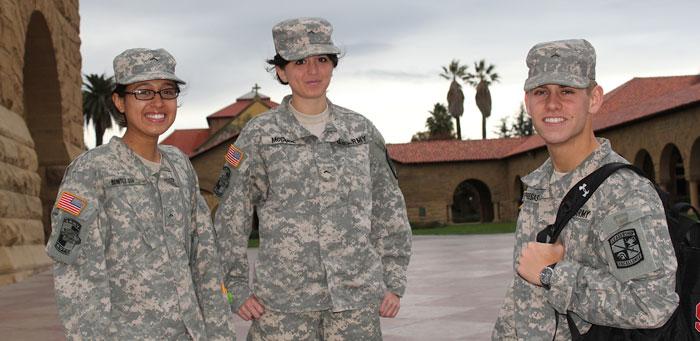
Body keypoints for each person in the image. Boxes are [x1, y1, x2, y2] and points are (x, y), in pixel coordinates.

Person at [213, 17, 412, 340]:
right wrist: (234, 289)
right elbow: (230, 218)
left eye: (322, 60)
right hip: (282, 307)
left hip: (354, 303)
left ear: (333, 66)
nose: (313, 71)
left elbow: (390, 210)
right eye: (299, 62)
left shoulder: (361, 132)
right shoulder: (259, 136)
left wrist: (393, 281)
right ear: (281, 71)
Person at [492, 39, 679, 340]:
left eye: (567, 91)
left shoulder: (623, 192)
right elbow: (523, 295)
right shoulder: (537, 186)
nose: (552, 104)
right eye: (541, 92)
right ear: (528, 103)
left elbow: (653, 302)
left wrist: (552, 273)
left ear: (594, 99)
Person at [45, 48, 236, 340]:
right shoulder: (93, 171)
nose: (158, 102)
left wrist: (221, 334)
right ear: (119, 101)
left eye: (167, 91)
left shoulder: (180, 167)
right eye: (143, 92)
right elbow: (77, 273)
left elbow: (205, 260)